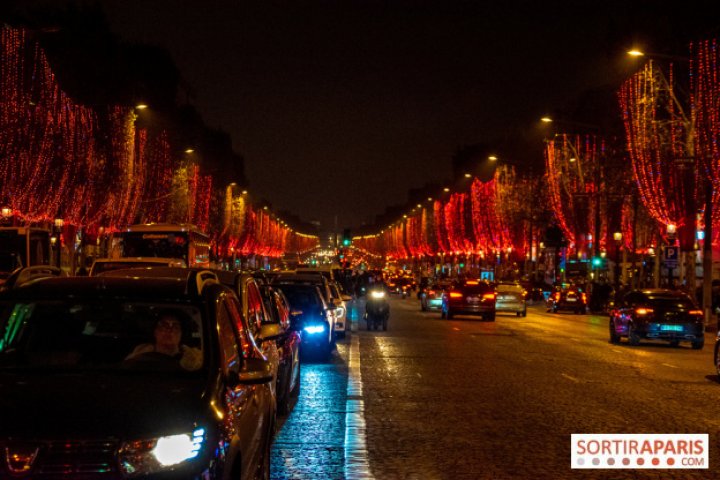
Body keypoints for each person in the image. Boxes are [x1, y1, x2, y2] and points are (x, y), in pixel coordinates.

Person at [125, 311, 202, 371]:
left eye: (175, 326)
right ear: (155, 331)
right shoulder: (141, 353)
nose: (169, 330)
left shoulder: (194, 358)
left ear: (181, 334)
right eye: (163, 325)